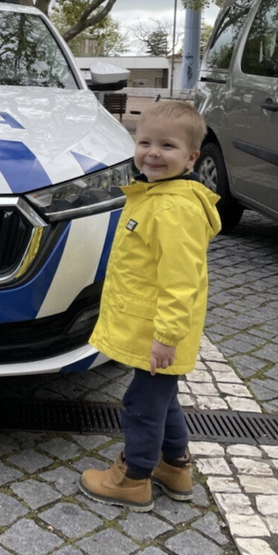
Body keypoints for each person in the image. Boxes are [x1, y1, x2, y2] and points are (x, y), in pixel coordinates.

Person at [80, 99, 221, 512]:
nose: (153, 153)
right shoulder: (157, 194)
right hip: (152, 329)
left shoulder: (173, 207)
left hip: (158, 333)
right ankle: (174, 466)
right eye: (145, 143)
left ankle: (134, 477)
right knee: (163, 399)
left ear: (191, 158)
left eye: (167, 146)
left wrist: (166, 337)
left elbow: (181, 282)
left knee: (142, 405)